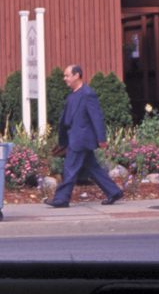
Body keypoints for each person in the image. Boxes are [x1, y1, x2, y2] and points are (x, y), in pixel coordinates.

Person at [44, 64, 124, 207]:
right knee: (92, 167)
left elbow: (96, 117)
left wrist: (101, 139)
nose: (64, 79)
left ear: (77, 75)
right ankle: (113, 192)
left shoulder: (88, 94)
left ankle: (61, 199)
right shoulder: (72, 95)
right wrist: (63, 140)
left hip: (80, 139)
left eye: (67, 75)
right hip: (74, 138)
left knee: (69, 167)